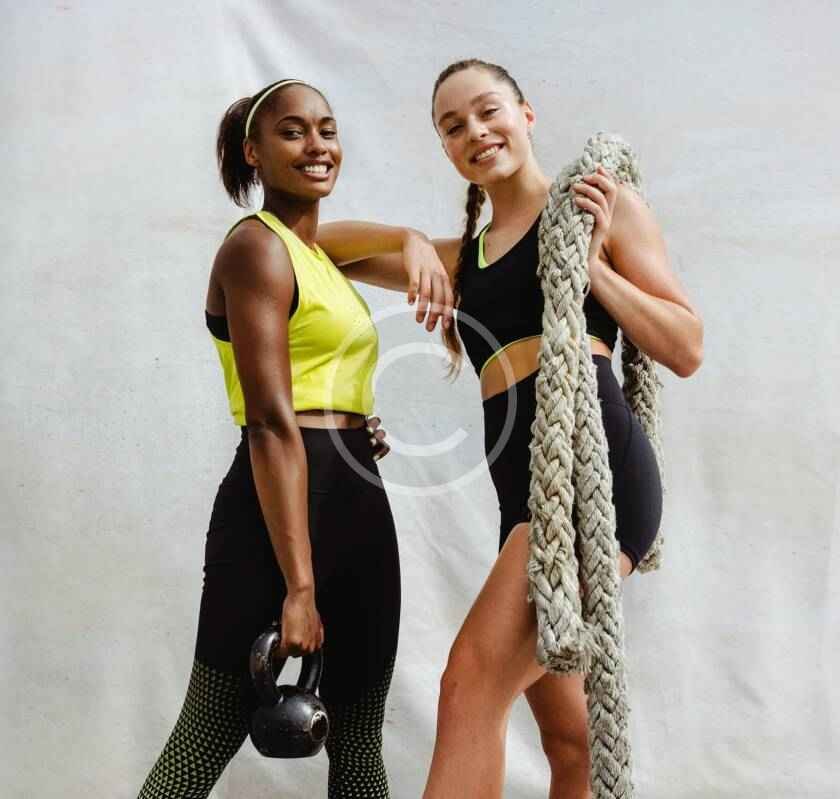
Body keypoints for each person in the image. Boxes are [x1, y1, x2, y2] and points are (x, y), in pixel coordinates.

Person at [317, 59, 703, 798]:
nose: (475, 131)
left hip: (593, 480)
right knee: (570, 743)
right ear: (444, 148)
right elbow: (317, 247)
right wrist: (409, 239)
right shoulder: (464, 261)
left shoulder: (595, 207)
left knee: (470, 685)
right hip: (524, 501)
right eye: (452, 126)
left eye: (489, 111)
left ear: (526, 115)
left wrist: (594, 271)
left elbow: (686, 345)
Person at [135, 78, 442, 799]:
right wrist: (299, 586)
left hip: (358, 502)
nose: (316, 145)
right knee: (202, 742)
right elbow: (272, 423)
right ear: (254, 151)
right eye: (293, 131)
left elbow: (448, 262)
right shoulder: (255, 248)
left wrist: (413, 238)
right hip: (272, 516)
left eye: (327, 129)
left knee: (358, 741)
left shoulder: (318, 255)